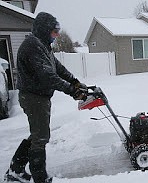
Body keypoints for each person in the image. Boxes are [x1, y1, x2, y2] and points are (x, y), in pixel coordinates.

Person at [4, 12, 87, 183]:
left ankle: (16, 169)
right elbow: (47, 75)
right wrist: (72, 90)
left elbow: (59, 68)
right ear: (44, 29)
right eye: (54, 32)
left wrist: (76, 82)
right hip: (33, 97)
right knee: (41, 137)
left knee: (38, 135)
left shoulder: (42, 46)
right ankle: (39, 177)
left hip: (39, 97)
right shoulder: (32, 46)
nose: (56, 35)